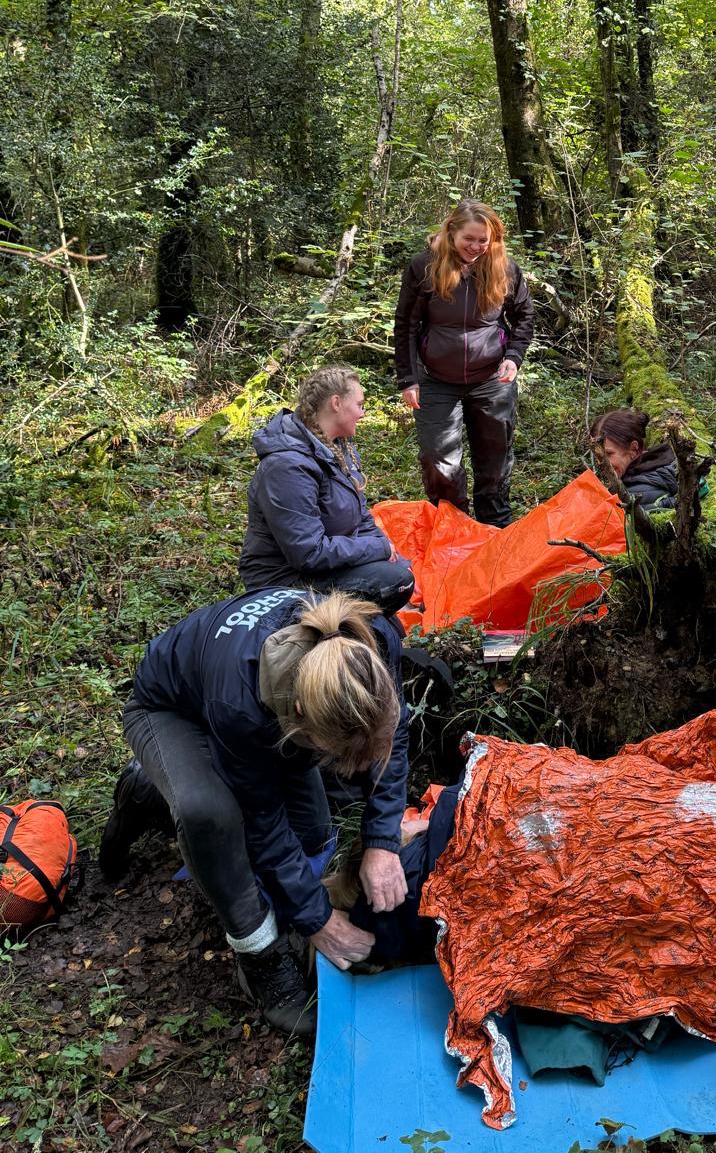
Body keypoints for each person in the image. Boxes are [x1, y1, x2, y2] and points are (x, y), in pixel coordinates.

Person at [97, 588, 409, 1036]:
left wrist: (382, 841)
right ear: (300, 717)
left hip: (256, 712)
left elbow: (390, 739)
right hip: (168, 708)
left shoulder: (369, 641)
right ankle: (261, 958)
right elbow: (264, 826)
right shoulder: (239, 707)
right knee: (210, 814)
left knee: (313, 839)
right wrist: (317, 920)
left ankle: (160, 784)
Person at [393, 199, 534, 528]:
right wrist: (408, 378)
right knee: (438, 460)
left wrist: (513, 357)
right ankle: (452, 529)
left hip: (491, 381)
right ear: (451, 232)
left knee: (495, 462)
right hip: (436, 379)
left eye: (483, 240)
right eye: (469, 239)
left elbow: (524, 317)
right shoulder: (424, 267)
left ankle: (494, 531)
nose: (476, 247)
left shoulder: (505, 269)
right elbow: (406, 326)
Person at [238, 366, 413, 613]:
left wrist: (392, 555)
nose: (362, 414)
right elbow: (308, 552)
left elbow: (361, 517)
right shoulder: (287, 466)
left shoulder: (337, 447)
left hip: (324, 567)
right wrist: (379, 550)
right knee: (395, 583)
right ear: (336, 403)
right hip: (283, 581)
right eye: (360, 404)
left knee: (400, 576)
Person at [589, 409, 678, 510]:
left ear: (633, 449)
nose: (600, 462)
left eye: (609, 454)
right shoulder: (656, 465)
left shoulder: (636, 493)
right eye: (597, 455)